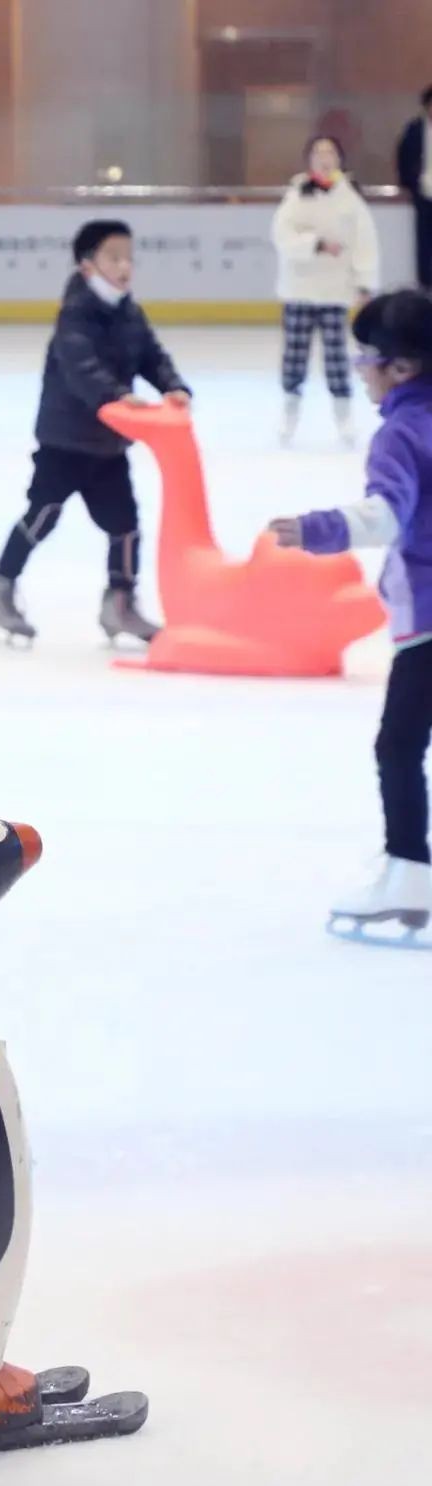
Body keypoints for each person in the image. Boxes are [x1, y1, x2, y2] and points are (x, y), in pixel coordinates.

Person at [268, 290, 432, 930]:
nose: (362, 370)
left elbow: (385, 515)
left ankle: (410, 874)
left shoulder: (401, 434)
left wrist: (316, 529)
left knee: (398, 746)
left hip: (428, 622)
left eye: (369, 358)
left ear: (402, 367)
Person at [0, 220, 191, 646]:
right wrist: (117, 395)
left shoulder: (128, 311)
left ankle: (120, 603)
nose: (124, 267)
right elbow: (81, 368)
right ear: (88, 265)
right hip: (65, 441)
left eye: (129, 258)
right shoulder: (74, 314)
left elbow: (151, 355)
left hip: (109, 444)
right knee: (43, 514)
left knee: (125, 525)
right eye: (114, 258)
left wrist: (173, 386)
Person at [270, 135, 379, 448]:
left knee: (336, 356)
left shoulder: (350, 198)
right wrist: (315, 244)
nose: (324, 158)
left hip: (335, 290)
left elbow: (365, 243)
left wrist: (364, 283)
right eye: (318, 152)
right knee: (295, 355)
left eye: (330, 152)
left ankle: (343, 414)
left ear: (339, 158)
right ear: (309, 159)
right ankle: (290, 410)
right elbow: (282, 235)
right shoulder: (297, 194)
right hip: (300, 289)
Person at [395, 87, 432, 290]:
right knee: (424, 243)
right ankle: (425, 286)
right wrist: (408, 183)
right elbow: (403, 157)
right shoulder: (415, 129)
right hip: (423, 194)